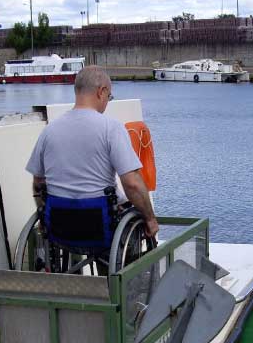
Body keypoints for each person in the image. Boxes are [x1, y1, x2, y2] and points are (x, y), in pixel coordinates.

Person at [26, 65, 158, 239]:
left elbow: (38, 183)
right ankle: (115, 266)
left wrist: (44, 216)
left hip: (59, 226)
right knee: (127, 221)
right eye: (109, 96)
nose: (107, 101)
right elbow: (132, 184)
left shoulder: (49, 131)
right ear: (101, 91)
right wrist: (150, 219)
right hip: (99, 227)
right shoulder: (112, 128)